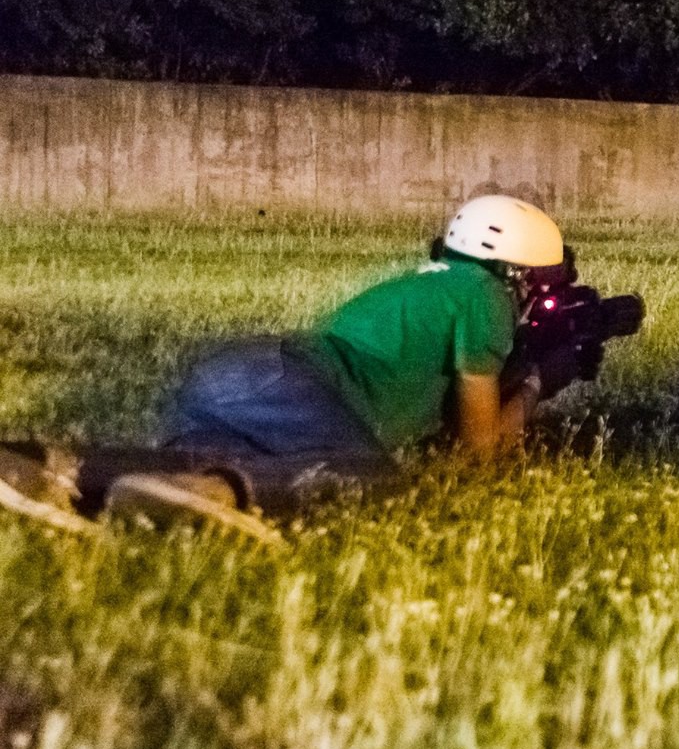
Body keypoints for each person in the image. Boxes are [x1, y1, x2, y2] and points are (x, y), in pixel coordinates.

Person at [0, 195, 569, 543]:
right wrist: (540, 381)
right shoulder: (485, 297)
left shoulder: (438, 286)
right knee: (376, 479)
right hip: (287, 379)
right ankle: (221, 497)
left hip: (239, 375)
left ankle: (46, 466)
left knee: (186, 465)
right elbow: (479, 454)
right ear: (517, 275)